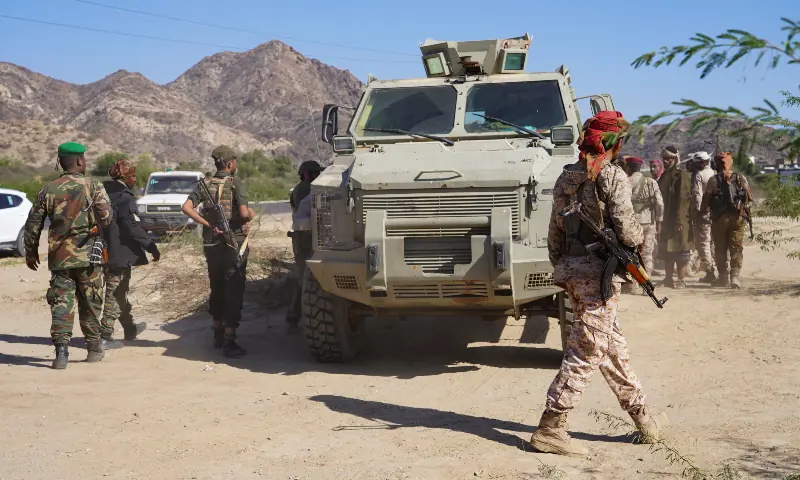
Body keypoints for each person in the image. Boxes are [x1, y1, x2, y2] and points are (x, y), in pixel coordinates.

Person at [530, 111, 666, 457]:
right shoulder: (612, 175)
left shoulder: (567, 176)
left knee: (611, 348)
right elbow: (627, 227)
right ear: (612, 143)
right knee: (588, 350)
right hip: (598, 275)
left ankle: (642, 418)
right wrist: (634, 249)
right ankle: (551, 426)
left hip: (575, 271)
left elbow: (554, 230)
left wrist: (563, 265)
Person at [23, 142, 113, 369]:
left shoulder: (48, 189)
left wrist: (31, 252)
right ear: (80, 161)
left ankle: (61, 353)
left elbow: (33, 223)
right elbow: (107, 217)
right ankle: (93, 349)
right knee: (91, 301)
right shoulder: (93, 185)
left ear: (60, 162)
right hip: (89, 257)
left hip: (60, 257)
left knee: (62, 303)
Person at [182, 145, 255, 358]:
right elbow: (243, 213)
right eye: (235, 161)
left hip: (211, 243)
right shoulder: (235, 184)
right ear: (230, 163)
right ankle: (230, 339)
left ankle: (217, 333)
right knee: (234, 287)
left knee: (216, 286)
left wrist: (207, 224)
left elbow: (186, 207)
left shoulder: (204, 184)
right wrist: (250, 213)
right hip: (234, 244)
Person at [99, 159, 161, 349]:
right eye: (133, 175)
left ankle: (129, 328)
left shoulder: (101, 192)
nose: (135, 179)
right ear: (125, 177)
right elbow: (132, 227)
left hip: (102, 250)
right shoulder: (125, 198)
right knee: (115, 292)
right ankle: (105, 335)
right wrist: (150, 246)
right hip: (119, 253)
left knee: (120, 290)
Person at [701, 152, 753, 289]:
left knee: (720, 249)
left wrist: (702, 212)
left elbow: (705, 202)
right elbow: (750, 197)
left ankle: (723, 277)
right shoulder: (740, 178)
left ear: (716, 164)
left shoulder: (713, 180)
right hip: (738, 218)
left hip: (719, 220)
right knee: (736, 248)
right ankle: (735, 276)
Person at [286, 160, 324, 326]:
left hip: (303, 237)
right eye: (315, 173)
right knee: (306, 276)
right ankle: (295, 314)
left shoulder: (300, 189)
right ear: (308, 175)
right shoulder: (306, 189)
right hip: (305, 237)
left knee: (306, 275)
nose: (318, 176)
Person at [622, 156, 663, 294]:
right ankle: (647, 286)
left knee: (632, 254)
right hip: (648, 222)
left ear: (629, 167)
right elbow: (660, 204)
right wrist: (659, 221)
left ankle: (633, 285)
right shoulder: (651, 182)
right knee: (647, 255)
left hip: (631, 223)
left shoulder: (625, 182)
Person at [657, 146, 694, 288]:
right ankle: (668, 279)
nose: (665, 161)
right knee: (667, 251)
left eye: (669, 158)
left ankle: (681, 279)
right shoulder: (664, 176)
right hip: (665, 220)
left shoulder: (682, 176)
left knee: (681, 251)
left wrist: (679, 221)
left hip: (679, 220)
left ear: (675, 159)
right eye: (664, 158)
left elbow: (683, 200)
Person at [689, 151, 717, 283]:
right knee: (712, 243)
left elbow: (697, 196)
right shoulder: (713, 173)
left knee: (703, 244)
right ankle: (719, 270)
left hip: (703, 214)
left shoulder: (699, 175)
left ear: (702, 162)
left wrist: (696, 213)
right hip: (715, 214)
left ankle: (710, 272)